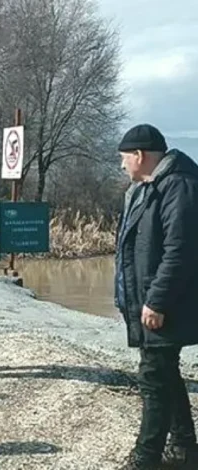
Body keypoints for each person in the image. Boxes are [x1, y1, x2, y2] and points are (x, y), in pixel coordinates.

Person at [114, 124, 198, 470]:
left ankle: (145, 459)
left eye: (123, 158)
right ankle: (184, 449)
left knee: (153, 379)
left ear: (139, 155)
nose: (121, 166)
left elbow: (181, 250)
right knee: (164, 373)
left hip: (165, 302)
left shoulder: (178, 185)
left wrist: (157, 300)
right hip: (150, 298)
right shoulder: (150, 186)